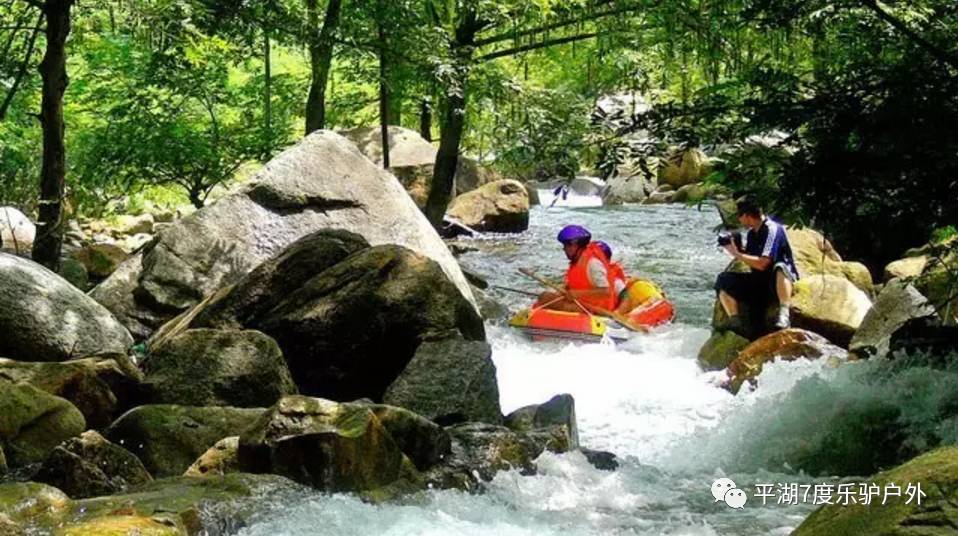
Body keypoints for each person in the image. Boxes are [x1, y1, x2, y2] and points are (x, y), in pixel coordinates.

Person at [714, 196, 799, 334]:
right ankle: (735, 320)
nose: (739, 220)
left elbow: (763, 264)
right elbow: (751, 260)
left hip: (775, 281)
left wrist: (737, 254)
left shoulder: (773, 230)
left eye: (740, 216)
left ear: (747, 216)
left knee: (780, 267)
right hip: (758, 282)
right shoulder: (752, 234)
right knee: (723, 280)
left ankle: (784, 312)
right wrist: (735, 247)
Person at [535, 225, 617, 313]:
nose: (564, 249)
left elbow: (606, 291)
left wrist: (577, 294)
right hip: (580, 303)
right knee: (544, 297)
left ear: (575, 245)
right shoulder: (576, 262)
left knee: (549, 300)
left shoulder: (593, 264)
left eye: (566, 246)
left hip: (595, 308)